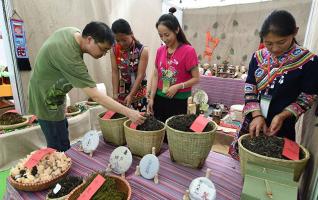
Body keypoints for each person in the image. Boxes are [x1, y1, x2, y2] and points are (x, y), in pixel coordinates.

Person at [28, 21, 145, 152]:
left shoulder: (74, 32)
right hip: (46, 99)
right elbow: (96, 95)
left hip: (55, 96)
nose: (104, 54)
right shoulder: (70, 55)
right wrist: (129, 113)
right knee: (58, 145)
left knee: (62, 133)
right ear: (90, 39)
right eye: (103, 49)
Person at [229, 10, 318, 159]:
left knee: (275, 165)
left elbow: (307, 97)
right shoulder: (258, 57)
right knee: (246, 160)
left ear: (295, 32)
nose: (275, 49)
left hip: (282, 125)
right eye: (268, 43)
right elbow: (250, 87)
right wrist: (257, 115)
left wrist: (282, 116)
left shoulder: (309, 62)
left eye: (281, 42)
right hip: (254, 121)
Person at [147, 7, 200, 123]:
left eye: (167, 34)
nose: (164, 39)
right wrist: (151, 98)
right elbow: (156, 75)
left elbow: (196, 78)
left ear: (176, 30)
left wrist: (178, 86)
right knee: (159, 131)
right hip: (159, 98)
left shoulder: (188, 51)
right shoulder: (160, 51)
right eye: (160, 35)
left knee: (173, 134)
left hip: (179, 100)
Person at [110, 19, 149, 111]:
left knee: (139, 119)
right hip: (123, 89)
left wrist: (131, 95)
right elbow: (115, 72)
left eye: (124, 40)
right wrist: (115, 94)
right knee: (123, 117)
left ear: (131, 34)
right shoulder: (114, 50)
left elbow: (141, 75)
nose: (121, 43)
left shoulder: (142, 50)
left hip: (138, 89)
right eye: (117, 40)